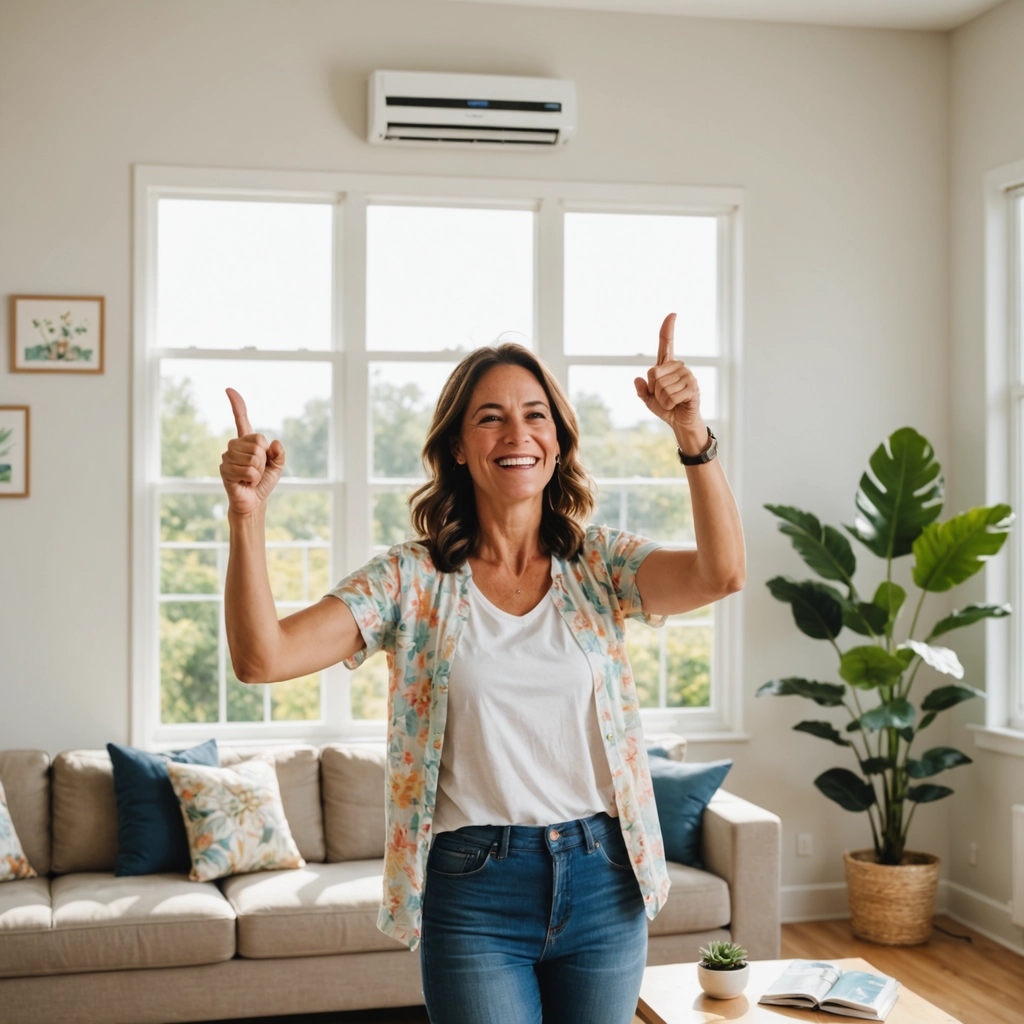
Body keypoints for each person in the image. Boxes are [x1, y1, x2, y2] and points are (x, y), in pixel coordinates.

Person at [220, 312, 745, 1024]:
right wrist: (246, 516)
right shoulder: (410, 580)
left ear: (556, 442)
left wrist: (691, 435)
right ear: (459, 448)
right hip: (474, 890)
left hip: (604, 879)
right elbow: (262, 658)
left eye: (535, 416)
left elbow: (722, 574)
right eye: (491, 418)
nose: (517, 434)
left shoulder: (600, 565)